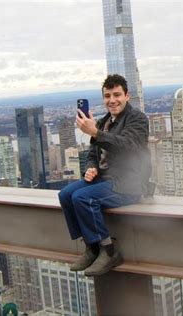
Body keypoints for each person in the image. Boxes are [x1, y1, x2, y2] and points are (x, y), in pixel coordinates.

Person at [58, 74, 150, 276]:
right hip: (104, 179)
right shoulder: (103, 122)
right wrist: (90, 167)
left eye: (117, 94)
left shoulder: (138, 119)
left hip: (127, 183)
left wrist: (95, 133)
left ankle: (108, 251)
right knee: (65, 195)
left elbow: (128, 146)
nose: (112, 100)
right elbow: (92, 153)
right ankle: (91, 248)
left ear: (127, 95)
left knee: (82, 197)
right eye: (107, 95)